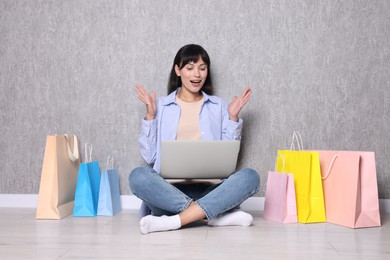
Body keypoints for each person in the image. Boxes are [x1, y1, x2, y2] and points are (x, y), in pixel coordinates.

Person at [129, 44, 260, 235]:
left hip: (212, 190)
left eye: (202, 68)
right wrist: (150, 116)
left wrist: (232, 118)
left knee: (250, 176)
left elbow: (228, 160)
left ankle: (175, 221)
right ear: (178, 70)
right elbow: (150, 157)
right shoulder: (161, 106)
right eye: (190, 68)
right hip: (170, 192)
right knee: (138, 176)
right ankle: (214, 216)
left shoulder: (218, 106)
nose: (197, 74)